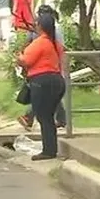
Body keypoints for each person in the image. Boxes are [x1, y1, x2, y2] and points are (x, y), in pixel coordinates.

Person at [17, 12, 65, 161]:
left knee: (43, 116)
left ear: (40, 26)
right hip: (57, 80)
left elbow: (26, 61)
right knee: (48, 117)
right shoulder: (55, 43)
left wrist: (19, 57)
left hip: (41, 81)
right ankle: (51, 149)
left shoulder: (40, 42)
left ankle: (48, 151)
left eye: (36, 24)